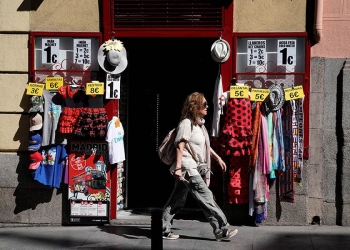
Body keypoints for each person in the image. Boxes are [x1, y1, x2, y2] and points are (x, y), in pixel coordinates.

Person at [162, 92, 238, 241]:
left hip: (191, 167)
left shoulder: (198, 125)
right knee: (206, 196)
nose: (207, 106)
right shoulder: (186, 123)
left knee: (176, 200)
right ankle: (221, 228)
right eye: (204, 104)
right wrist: (178, 168)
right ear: (194, 106)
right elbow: (180, 145)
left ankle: (163, 228)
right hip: (186, 167)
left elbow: (205, 146)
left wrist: (217, 158)